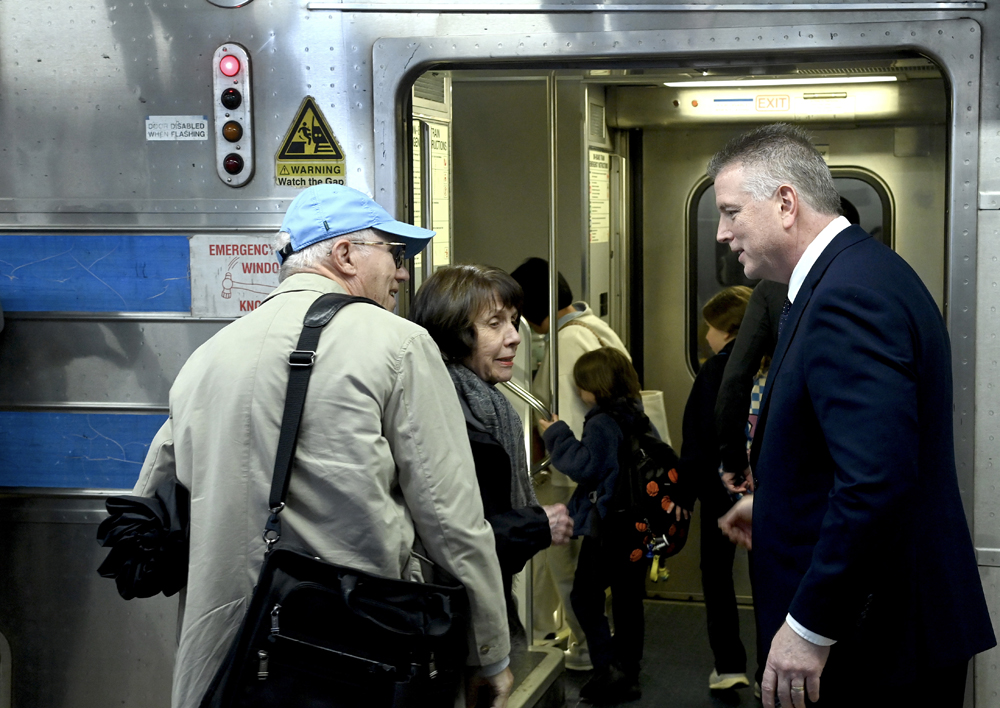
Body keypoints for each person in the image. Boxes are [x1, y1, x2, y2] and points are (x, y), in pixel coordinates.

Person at [131, 185, 514, 708]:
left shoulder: (207, 358)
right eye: (394, 254)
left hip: (225, 668)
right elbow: (452, 519)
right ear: (344, 254)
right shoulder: (399, 345)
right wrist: (488, 652)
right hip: (350, 663)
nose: (403, 273)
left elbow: (151, 508)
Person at [712, 124, 996, 708]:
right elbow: (849, 454)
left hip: (876, 639)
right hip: (884, 625)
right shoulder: (852, 273)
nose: (722, 233)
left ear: (785, 203)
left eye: (732, 212)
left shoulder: (848, 295)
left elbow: (876, 481)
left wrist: (812, 626)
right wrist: (776, 504)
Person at [410, 264, 574, 649]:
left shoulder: (486, 405)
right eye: (494, 323)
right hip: (452, 616)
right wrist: (534, 525)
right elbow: (447, 538)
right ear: (454, 332)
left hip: (484, 601)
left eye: (514, 322)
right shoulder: (444, 414)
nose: (515, 337)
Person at [510, 257, 630, 671]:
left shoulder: (566, 344)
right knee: (552, 563)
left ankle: (585, 650)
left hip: (570, 481)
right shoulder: (592, 326)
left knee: (568, 569)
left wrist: (556, 465)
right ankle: (545, 629)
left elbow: (575, 426)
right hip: (599, 477)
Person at [537, 347, 666, 704]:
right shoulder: (637, 415)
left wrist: (557, 433)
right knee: (628, 600)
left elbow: (586, 466)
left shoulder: (601, 423)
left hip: (609, 526)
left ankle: (607, 667)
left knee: (584, 597)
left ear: (593, 387)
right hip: (638, 524)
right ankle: (628, 672)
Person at [680, 285, 753, 692]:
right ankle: (772, 672)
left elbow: (696, 443)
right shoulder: (769, 363)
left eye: (708, 326)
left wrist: (683, 498)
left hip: (719, 493)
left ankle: (729, 665)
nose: (704, 335)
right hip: (765, 491)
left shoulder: (712, 372)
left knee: (717, 576)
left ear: (724, 330)